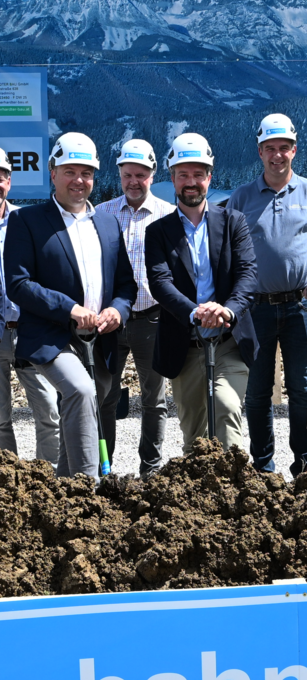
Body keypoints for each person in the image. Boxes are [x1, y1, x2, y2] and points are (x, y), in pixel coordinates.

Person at [4, 132, 136, 481]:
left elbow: (126, 285)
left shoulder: (107, 223)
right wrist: (70, 309)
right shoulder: (27, 221)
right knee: (80, 390)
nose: (79, 180)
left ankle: (64, 489)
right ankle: (88, 486)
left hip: (100, 339)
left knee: (89, 399)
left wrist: (117, 310)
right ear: (53, 173)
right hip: (51, 336)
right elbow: (18, 284)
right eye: (70, 172)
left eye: (86, 173)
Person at [227, 113, 307, 477]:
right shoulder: (241, 198)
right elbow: (227, 253)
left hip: (302, 307)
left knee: (303, 389)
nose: (277, 155)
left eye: (284, 148)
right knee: (257, 392)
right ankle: (263, 468)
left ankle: (303, 464)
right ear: (260, 152)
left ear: (294, 150)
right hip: (255, 308)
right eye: (270, 148)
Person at [145, 132, 259, 454]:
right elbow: (160, 283)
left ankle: (235, 480)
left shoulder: (233, 222)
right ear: (172, 178)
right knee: (194, 432)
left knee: (226, 407)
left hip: (228, 340)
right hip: (184, 344)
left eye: (198, 174)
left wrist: (227, 310)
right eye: (183, 175)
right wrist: (194, 312)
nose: (191, 182)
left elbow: (247, 275)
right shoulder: (158, 232)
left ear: (209, 177)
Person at [96, 139, 174, 478]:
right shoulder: (102, 213)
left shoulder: (167, 215)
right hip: (110, 320)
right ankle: (104, 469)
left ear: (152, 175)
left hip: (152, 320)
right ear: (119, 174)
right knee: (105, 397)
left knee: (153, 399)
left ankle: (150, 470)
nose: (133, 182)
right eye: (127, 175)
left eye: (140, 175)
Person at [0, 147, 60, 467]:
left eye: (0, 177)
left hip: (30, 331)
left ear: (9, 182)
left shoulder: (26, 221)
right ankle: (7, 483)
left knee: (49, 413)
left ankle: (47, 483)